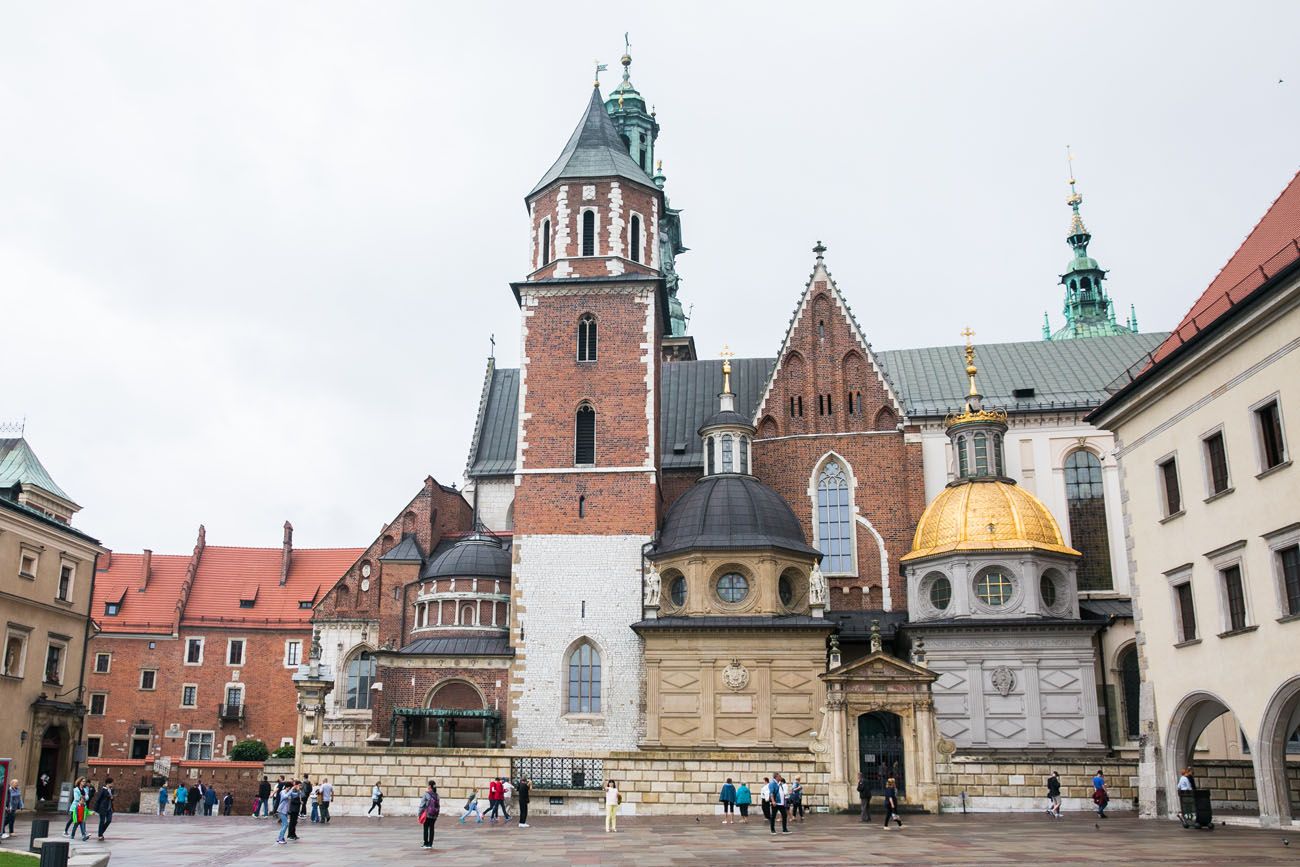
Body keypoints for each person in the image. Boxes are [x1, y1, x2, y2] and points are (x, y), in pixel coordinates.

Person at [418, 780, 440, 849]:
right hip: (434, 814)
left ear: (430, 786)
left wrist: (419, 813)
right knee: (432, 829)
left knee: (425, 828)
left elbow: (422, 805)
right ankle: (430, 844)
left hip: (427, 814)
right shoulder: (437, 795)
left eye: (428, 785)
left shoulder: (426, 794)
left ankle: (425, 843)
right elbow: (438, 805)